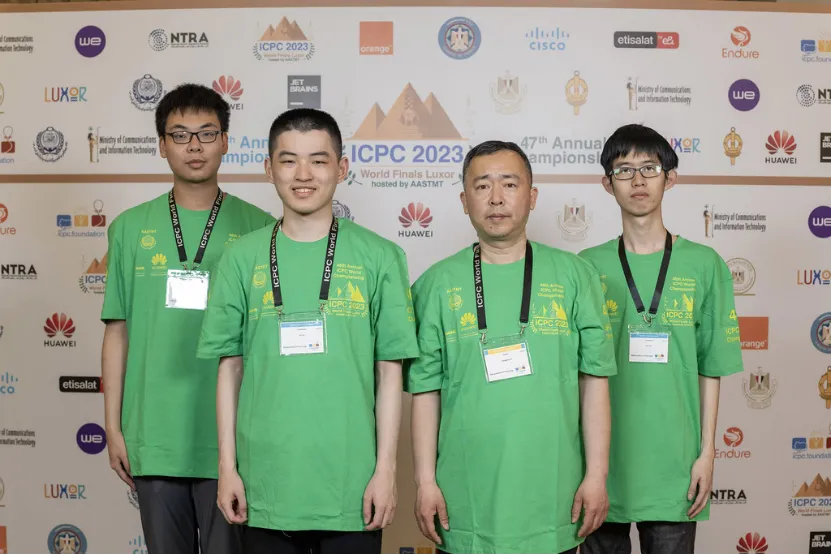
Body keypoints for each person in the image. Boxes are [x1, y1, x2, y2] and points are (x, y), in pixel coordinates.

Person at [196, 108, 419, 555]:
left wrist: (386, 471)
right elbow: (229, 369)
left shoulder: (380, 256)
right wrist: (227, 468)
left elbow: (389, 372)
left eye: (318, 160)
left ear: (341, 167)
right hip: (265, 483)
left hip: (352, 485)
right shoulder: (240, 258)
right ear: (268, 168)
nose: (303, 175)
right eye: (288, 160)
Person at [405, 140, 617, 555]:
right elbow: (425, 392)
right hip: (463, 500)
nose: (496, 198)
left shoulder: (576, 276)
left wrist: (596, 476)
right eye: (483, 186)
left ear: (532, 197)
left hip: (554, 497)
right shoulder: (435, 285)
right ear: (464, 200)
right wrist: (425, 482)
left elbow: (595, 383)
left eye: (509, 184)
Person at [101, 83, 275, 555]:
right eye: (180, 135)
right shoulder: (129, 228)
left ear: (226, 141)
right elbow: (117, 331)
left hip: (233, 439)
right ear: (162, 145)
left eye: (206, 133)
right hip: (154, 435)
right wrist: (114, 427)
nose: (194, 146)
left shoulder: (261, 229)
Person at [579, 124, 744, 555]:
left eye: (649, 168)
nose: (638, 180)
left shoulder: (705, 265)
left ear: (670, 178)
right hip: (601, 467)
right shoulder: (585, 267)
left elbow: (711, 366)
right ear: (607, 184)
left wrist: (707, 453)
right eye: (624, 169)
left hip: (675, 466)